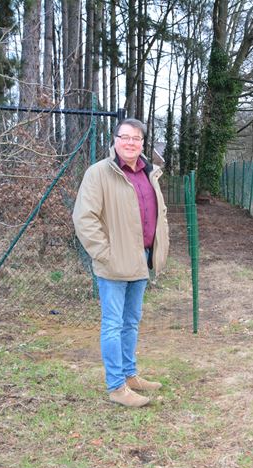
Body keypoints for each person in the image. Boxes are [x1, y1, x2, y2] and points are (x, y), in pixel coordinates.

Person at [73, 118, 169, 407]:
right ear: (114, 140)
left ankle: (129, 375)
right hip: (114, 263)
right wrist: (104, 253)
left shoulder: (148, 173)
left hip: (142, 260)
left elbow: (158, 213)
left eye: (136, 138)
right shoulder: (99, 173)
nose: (130, 143)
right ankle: (116, 387)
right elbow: (84, 218)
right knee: (113, 324)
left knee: (131, 322)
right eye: (125, 137)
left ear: (142, 143)